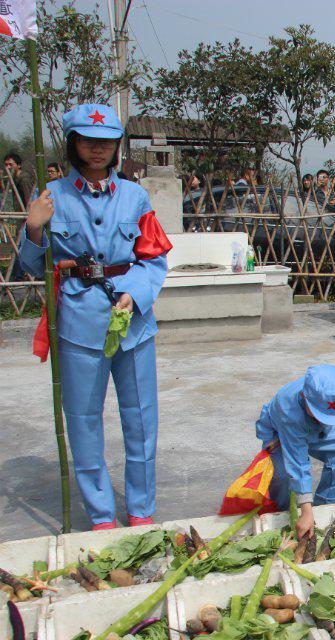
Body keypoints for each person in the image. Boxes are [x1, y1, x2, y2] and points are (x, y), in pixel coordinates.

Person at [19, 104, 172, 530]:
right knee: (84, 422)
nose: (98, 148)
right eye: (88, 140)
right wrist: (34, 230)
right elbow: (32, 268)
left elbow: (154, 258)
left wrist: (134, 294)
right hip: (79, 325)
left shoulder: (134, 196)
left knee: (141, 418)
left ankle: (141, 509)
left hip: (133, 324)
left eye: (106, 141)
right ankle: (102, 515)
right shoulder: (51, 197)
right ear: (73, 144)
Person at [256, 364, 335, 539]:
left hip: (315, 427)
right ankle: (283, 520)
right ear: (304, 396)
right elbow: (298, 462)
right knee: (282, 475)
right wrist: (305, 508)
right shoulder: (289, 410)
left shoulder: (324, 392)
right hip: (280, 435)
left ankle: (328, 508)